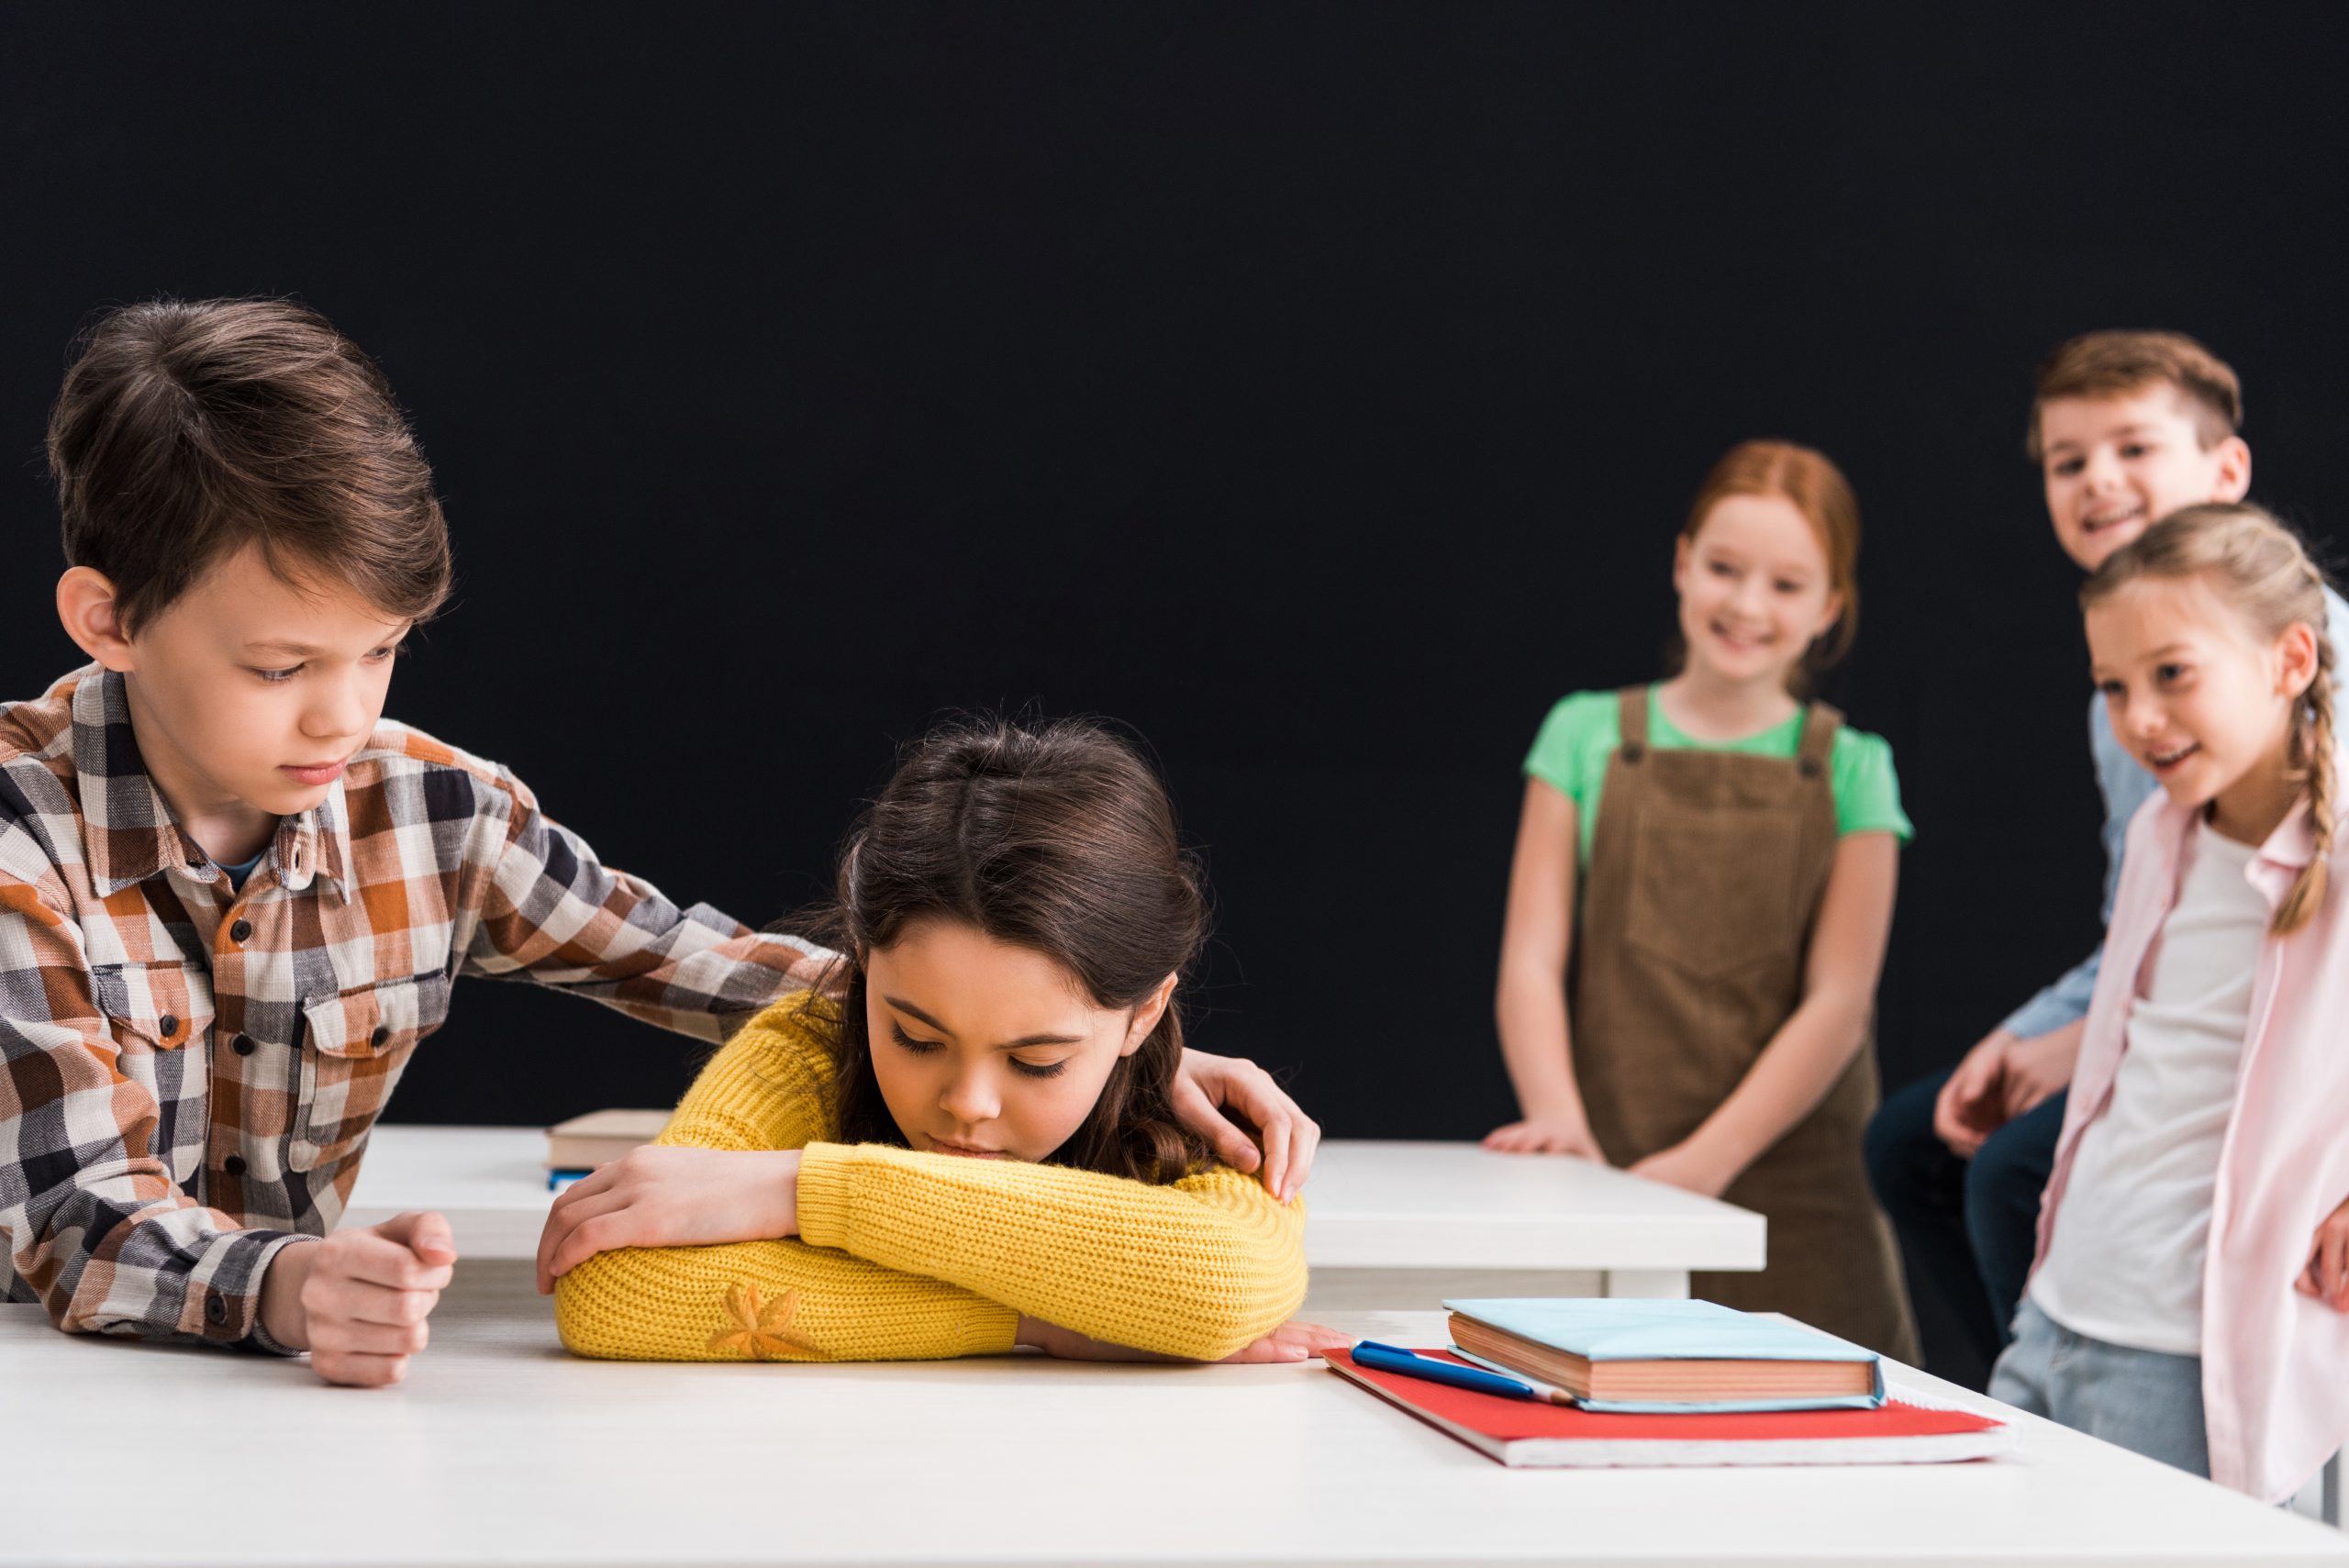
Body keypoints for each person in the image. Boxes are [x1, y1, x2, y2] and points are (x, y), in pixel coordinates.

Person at [0, 298, 1319, 1388]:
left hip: (264, 1406)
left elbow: (699, 965)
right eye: (282, 664)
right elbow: (73, 1214)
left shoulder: (428, 808)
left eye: (384, 650)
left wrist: (1094, 1029)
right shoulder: (20, 835)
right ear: (105, 618)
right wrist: (286, 1280)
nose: (348, 713)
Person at [543, 717, 1336, 1364]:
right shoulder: (802, 1052)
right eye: (915, 1037)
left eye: (1037, 1060)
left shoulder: (1197, 1117)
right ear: (862, 967)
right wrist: (1037, 1320)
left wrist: (802, 1190)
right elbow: (614, 1291)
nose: (967, 1103)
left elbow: (1225, 1285)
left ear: (1143, 1013)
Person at [1865, 330, 2345, 1376]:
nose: (2098, 481)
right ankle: (2051, 1374)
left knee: (2004, 1171)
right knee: (1913, 1140)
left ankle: (2118, 1392)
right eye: (2067, 461)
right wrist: (2030, 1034)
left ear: (2226, 473)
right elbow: (2144, 925)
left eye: (2131, 448)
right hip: (2170, 1021)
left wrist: (2086, 1047)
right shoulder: (2119, 708)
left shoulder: (2316, 677)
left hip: (2275, 1065)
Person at [1486, 439, 1917, 1357]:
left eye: (1786, 584)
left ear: (1829, 605)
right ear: (1682, 563)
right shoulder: (1583, 732)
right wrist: (1561, 1124)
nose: (1746, 604)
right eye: (1724, 568)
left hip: (1798, 1193)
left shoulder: (1854, 767)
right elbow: (1528, 959)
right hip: (1610, 1164)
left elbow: (1839, 1004)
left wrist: (1705, 1164)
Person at [1990, 503, 2349, 1502]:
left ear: (2288, 660)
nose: (2139, 715)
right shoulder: (2161, 831)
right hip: (2059, 1306)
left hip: (2188, 1353)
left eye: (2172, 673)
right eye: (2113, 685)